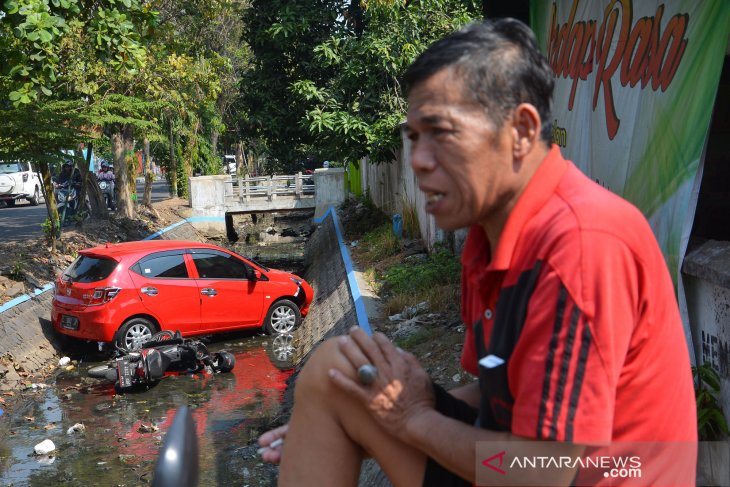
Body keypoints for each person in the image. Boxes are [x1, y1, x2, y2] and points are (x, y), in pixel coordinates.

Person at [259, 18, 697, 486]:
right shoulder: (490, 235)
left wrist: (413, 421)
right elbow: (497, 396)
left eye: (441, 132)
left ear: (522, 131)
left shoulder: (581, 245)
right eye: (413, 137)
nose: (420, 160)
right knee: (338, 376)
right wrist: (360, 423)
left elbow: (542, 472)